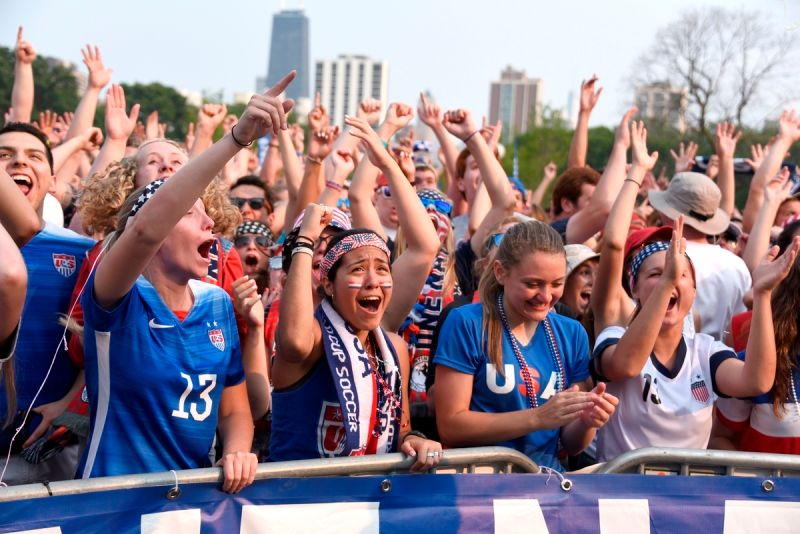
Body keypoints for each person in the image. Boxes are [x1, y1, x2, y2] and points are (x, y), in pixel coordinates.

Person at [78, 71, 298, 491]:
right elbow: (142, 231)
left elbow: (234, 409)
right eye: (190, 213)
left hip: (188, 505)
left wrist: (237, 449)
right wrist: (236, 138)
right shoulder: (115, 296)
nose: (210, 221)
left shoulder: (216, 303)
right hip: (111, 504)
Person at [270, 113, 442, 467]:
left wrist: (415, 441)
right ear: (326, 281)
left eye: (381, 269)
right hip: (297, 506)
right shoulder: (309, 339)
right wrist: (303, 242)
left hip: (367, 507)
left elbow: (402, 428)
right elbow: (294, 342)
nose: (373, 281)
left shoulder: (392, 345)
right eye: (359, 270)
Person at [434, 219, 617, 470]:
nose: (545, 296)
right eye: (533, 284)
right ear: (500, 272)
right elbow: (451, 427)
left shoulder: (572, 332)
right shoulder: (466, 322)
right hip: (480, 483)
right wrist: (537, 418)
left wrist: (587, 420)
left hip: (546, 482)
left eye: (556, 284)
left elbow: (571, 444)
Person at [0, 122, 95, 486]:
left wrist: (70, 404)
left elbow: (99, 342)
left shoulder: (81, 251)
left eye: (33, 156)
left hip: (55, 443)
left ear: (53, 181)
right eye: (4, 156)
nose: (19, 163)